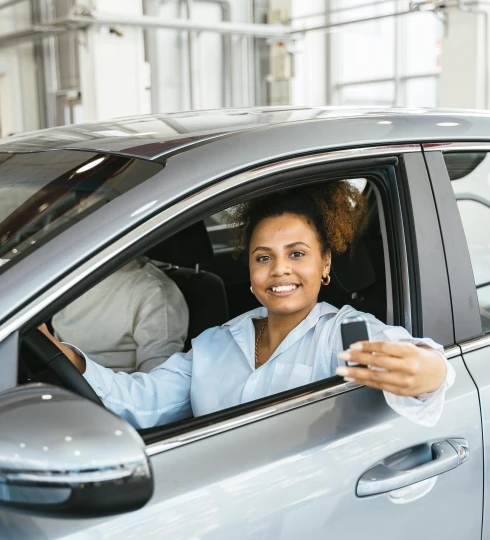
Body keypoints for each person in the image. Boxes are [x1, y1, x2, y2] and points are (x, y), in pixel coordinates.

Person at [40, 181, 454, 429]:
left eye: (296, 254)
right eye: (263, 257)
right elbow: (142, 402)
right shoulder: (213, 344)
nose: (279, 270)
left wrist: (428, 369)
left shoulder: (343, 332)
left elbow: (417, 359)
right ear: (251, 271)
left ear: (324, 263)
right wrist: (60, 355)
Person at [52, 258, 189, 373]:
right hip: (58, 378)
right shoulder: (65, 278)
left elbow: (157, 385)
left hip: (102, 399)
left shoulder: (155, 292)